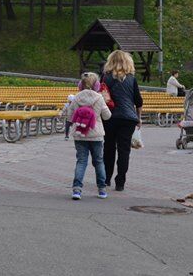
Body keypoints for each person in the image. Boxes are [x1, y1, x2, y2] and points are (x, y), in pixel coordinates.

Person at [61, 71, 112, 200]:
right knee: (99, 161)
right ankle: (102, 189)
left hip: (80, 134)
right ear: (96, 85)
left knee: (81, 161)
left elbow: (70, 116)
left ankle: (77, 190)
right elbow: (107, 116)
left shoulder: (77, 98)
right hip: (96, 134)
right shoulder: (99, 98)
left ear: (80, 85)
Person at [101, 50, 143, 192]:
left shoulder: (105, 78)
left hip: (110, 117)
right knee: (124, 150)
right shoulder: (131, 79)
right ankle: (120, 182)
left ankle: (106, 178)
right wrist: (138, 118)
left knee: (109, 148)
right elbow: (138, 101)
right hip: (128, 119)